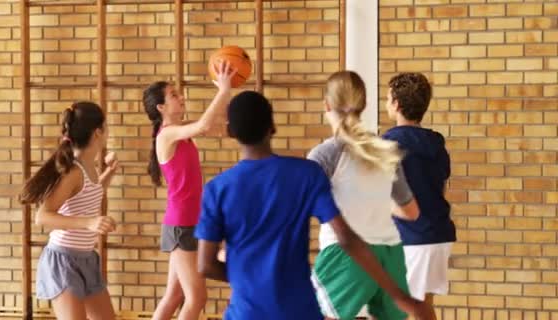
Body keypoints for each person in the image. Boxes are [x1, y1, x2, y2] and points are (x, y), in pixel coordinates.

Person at [195, 90, 433, 320]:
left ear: (229, 131)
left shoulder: (217, 190)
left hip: (245, 312)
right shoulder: (305, 174)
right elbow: (348, 239)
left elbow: (205, 265)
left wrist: (248, 276)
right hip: (298, 309)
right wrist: (399, 295)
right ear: (273, 127)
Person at [308, 70, 419, 320]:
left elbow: (304, 209)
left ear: (326, 105)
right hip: (390, 253)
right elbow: (411, 212)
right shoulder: (387, 151)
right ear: (364, 105)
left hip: (346, 253)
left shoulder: (323, 155)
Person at [143, 61, 236, 320]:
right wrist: (223, 91)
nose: (180, 97)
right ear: (161, 107)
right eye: (174, 95)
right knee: (196, 297)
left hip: (189, 223)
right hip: (180, 225)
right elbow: (205, 125)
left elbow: (212, 123)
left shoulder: (181, 133)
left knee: (174, 296)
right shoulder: (167, 135)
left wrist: (228, 99)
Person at [20, 101, 119, 320]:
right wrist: (89, 222)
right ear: (98, 132)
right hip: (63, 262)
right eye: (107, 126)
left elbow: (86, 195)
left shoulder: (89, 166)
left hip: (86, 259)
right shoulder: (73, 171)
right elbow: (43, 216)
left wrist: (109, 174)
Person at [383, 72, 456, 320]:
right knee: (422, 306)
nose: (386, 103)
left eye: (388, 98)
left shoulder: (388, 144)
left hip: (412, 238)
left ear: (397, 104)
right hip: (438, 235)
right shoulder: (436, 144)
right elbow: (440, 186)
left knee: (396, 309)